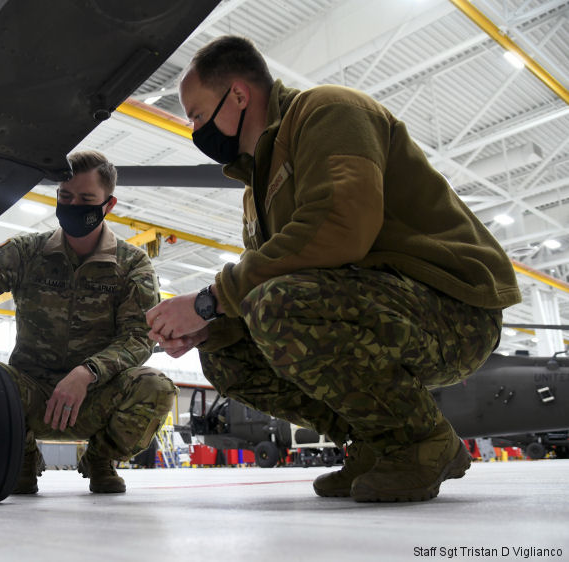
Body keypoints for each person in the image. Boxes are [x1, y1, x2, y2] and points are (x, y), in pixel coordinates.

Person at [146, 36, 521, 502]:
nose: (195, 130)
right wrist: (211, 323)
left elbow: (342, 226)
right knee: (226, 349)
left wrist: (207, 301)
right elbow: (279, 270)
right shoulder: (255, 190)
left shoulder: (329, 111)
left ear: (238, 95)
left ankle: (420, 442)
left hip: (452, 306)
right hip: (380, 305)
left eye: (198, 114)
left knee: (276, 305)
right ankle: (376, 442)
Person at [0, 150, 176, 494]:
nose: (73, 205)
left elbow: (138, 338)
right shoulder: (29, 252)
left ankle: (99, 459)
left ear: (107, 204)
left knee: (156, 388)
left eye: (85, 199)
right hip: (28, 397)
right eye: (65, 197)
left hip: (96, 396)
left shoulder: (131, 264)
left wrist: (87, 373)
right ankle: (23, 457)